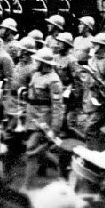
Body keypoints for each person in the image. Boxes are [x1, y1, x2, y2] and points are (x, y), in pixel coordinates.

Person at [23, 48, 64, 182]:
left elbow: (57, 106)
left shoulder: (54, 81)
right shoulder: (36, 74)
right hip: (32, 118)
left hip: (43, 120)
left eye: (38, 61)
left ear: (44, 63)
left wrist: (55, 128)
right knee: (41, 151)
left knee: (31, 149)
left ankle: (28, 184)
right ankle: (61, 167)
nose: (35, 62)